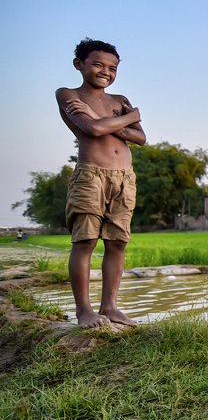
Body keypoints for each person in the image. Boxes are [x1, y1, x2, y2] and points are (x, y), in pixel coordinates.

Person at [56, 38, 145, 328]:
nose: (105, 71)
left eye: (112, 67)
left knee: (117, 242)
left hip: (124, 178)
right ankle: (84, 311)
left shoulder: (118, 100)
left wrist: (113, 122)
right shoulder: (68, 94)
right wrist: (129, 118)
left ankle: (110, 307)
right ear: (79, 64)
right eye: (98, 64)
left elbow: (141, 138)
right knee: (85, 241)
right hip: (91, 176)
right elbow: (92, 129)